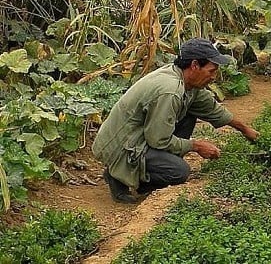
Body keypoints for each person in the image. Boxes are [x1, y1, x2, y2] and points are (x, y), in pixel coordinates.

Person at [92, 37, 259, 203]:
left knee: (188, 114)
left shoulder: (187, 82)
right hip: (121, 148)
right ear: (194, 65)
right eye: (211, 70)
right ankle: (119, 176)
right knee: (178, 172)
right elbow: (158, 140)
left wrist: (245, 130)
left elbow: (213, 110)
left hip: (138, 137)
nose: (214, 76)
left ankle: (145, 172)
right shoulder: (170, 91)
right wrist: (196, 146)